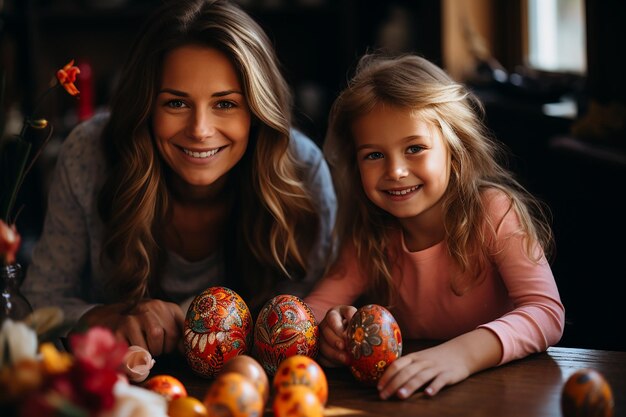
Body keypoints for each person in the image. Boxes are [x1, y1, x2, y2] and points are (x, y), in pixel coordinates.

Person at [22, 0, 336, 356]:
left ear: (256, 111)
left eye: (225, 104)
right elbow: (37, 302)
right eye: (176, 103)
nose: (200, 130)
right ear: (146, 107)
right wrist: (107, 318)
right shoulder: (89, 155)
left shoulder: (302, 170)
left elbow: (311, 315)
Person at [304, 54, 564, 399]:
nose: (395, 170)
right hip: (411, 398)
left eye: (415, 148)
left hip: (501, 395)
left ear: (453, 149)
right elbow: (312, 313)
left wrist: (461, 354)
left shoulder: (494, 212)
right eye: (374, 155)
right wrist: (329, 331)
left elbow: (546, 313)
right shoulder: (370, 236)